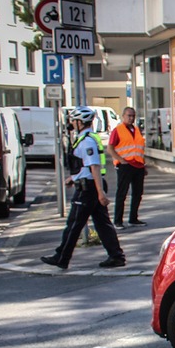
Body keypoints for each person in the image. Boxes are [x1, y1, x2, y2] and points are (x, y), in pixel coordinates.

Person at [42, 107, 126, 270]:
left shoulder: (87, 141)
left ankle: (62, 257)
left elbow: (94, 166)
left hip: (88, 189)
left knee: (74, 224)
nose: (72, 123)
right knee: (102, 224)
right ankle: (116, 256)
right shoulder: (84, 138)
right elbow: (84, 167)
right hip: (89, 186)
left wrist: (100, 193)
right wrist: (73, 178)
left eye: (74, 121)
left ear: (80, 122)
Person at [108, 106, 147, 227]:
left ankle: (133, 219)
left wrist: (143, 165)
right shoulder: (118, 130)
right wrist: (121, 160)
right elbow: (110, 148)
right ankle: (118, 221)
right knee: (122, 193)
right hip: (125, 165)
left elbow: (139, 149)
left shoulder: (136, 130)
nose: (131, 118)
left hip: (138, 166)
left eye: (133, 116)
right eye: (129, 116)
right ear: (123, 116)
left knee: (137, 193)